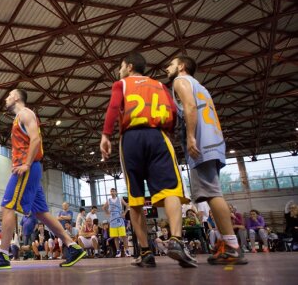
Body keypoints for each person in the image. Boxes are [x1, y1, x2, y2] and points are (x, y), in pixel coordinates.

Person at [101, 52, 193, 269]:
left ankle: (145, 251)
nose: (119, 70)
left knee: (135, 198)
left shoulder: (121, 84)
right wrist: (166, 131)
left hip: (131, 138)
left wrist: (106, 135)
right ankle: (177, 240)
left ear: (130, 67)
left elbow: (114, 108)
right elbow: (173, 112)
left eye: (121, 66)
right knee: (171, 190)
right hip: (158, 135)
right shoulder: (160, 86)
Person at [0, 89, 85, 269]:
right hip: (31, 169)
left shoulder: (25, 113)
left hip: (27, 169)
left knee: (8, 207)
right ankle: (72, 246)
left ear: (17, 98)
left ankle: (3, 255)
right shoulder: (19, 117)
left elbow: (35, 140)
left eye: (9, 94)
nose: (6, 97)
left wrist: (26, 164)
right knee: (41, 213)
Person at [166, 55, 248, 265]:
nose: (167, 68)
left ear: (181, 67)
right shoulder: (200, 85)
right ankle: (227, 243)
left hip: (202, 141)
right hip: (214, 140)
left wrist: (191, 136)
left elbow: (190, 106)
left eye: (171, 64)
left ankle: (232, 246)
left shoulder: (180, 81)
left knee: (212, 193)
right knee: (212, 192)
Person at [103, 188, 130, 258]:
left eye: (113, 191)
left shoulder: (120, 199)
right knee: (115, 237)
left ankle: (127, 250)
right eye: (111, 191)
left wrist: (125, 213)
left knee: (124, 236)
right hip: (112, 221)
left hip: (120, 219)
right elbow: (104, 208)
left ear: (116, 192)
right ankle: (118, 251)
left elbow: (127, 205)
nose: (112, 192)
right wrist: (107, 213)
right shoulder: (108, 200)